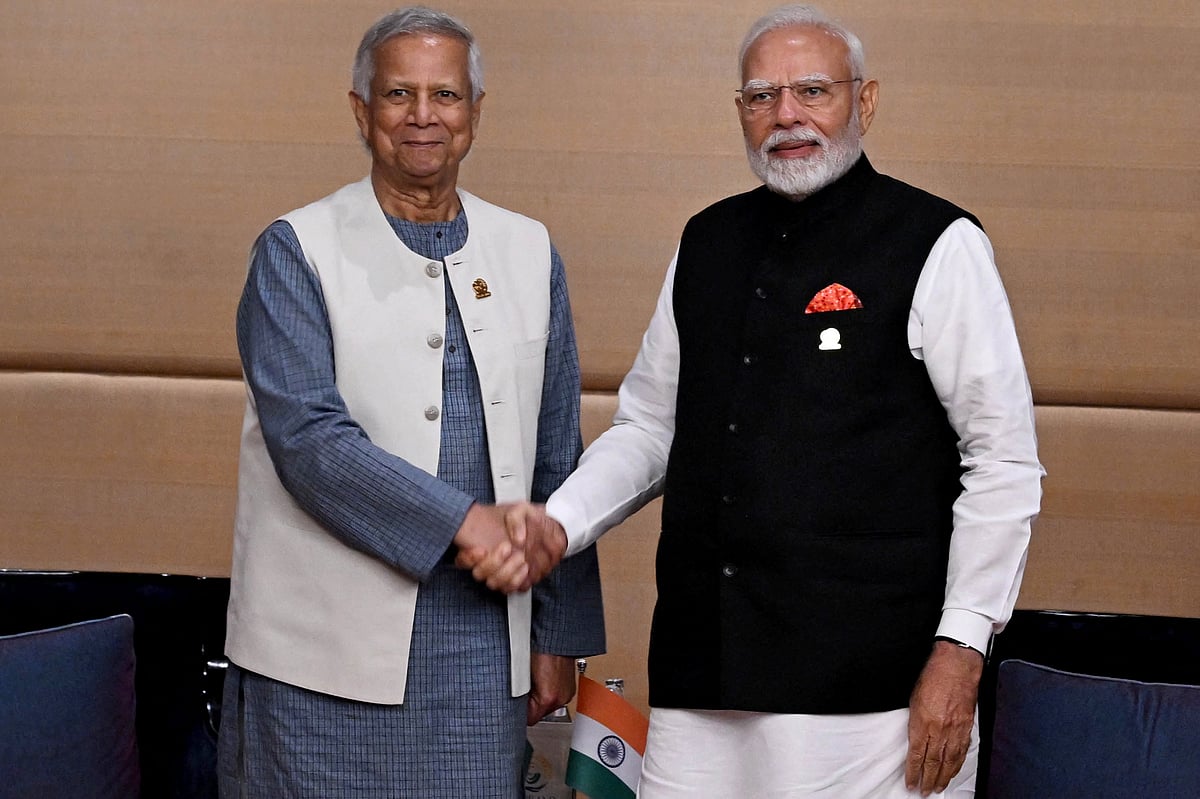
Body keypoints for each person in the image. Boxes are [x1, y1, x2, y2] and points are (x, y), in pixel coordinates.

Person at [466, 4, 1043, 797]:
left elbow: (1002, 460)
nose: (787, 116)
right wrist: (558, 524)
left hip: (872, 689)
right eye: (763, 96)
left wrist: (962, 647)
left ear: (866, 101)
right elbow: (650, 429)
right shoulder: (706, 241)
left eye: (813, 91)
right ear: (740, 111)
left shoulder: (938, 243)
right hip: (702, 675)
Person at [217, 7, 604, 797]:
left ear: (475, 113)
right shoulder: (295, 249)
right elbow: (310, 443)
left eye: (446, 95)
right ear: (362, 111)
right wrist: (467, 522)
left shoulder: (529, 250)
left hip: (482, 653)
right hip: (316, 664)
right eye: (399, 94)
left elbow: (558, 453)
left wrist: (560, 632)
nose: (424, 116)